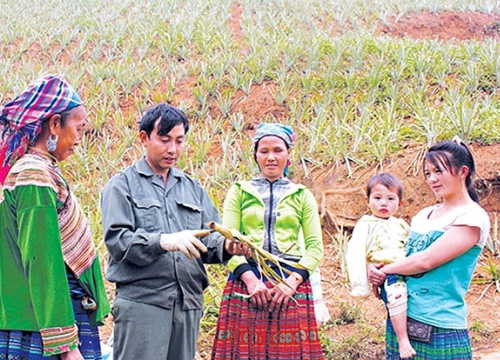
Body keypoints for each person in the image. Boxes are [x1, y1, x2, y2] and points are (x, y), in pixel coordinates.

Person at [100, 103, 249, 360]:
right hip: (143, 304)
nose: (172, 149)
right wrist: (163, 242)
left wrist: (227, 246)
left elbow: (209, 236)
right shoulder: (122, 185)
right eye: (164, 139)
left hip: (187, 304)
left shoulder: (192, 188)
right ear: (144, 138)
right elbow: (118, 240)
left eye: (179, 141)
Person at [0, 74, 111, 359]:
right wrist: (66, 347)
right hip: (44, 325)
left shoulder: (38, 171)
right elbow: (43, 262)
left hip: (44, 317)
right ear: (54, 125)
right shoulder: (33, 175)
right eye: (78, 128)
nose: (78, 139)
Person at [368, 138, 491, 360]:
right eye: (427, 173)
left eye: (438, 171)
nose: (432, 179)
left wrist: (386, 270)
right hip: (402, 321)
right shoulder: (423, 215)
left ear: (463, 172)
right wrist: (376, 270)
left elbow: (426, 260)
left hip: (440, 325)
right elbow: (402, 257)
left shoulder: (472, 217)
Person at [211, 123, 325, 360]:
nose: (271, 157)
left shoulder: (302, 195)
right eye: (264, 151)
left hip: (291, 285)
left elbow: (315, 248)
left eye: (277, 150)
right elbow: (228, 242)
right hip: (247, 284)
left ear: (288, 154)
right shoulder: (240, 191)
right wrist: (250, 280)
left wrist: (291, 283)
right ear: (255, 155)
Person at [345, 173, 415, 359]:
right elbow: (355, 251)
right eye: (377, 198)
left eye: (390, 199)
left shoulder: (401, 225)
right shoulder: (365, 224)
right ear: (367, 201)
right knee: (396, 294)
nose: (383, 203)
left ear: (399, 204)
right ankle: (402, 340)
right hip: (387, 273)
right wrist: (362, 283)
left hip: (406, 270)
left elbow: (414, 246)